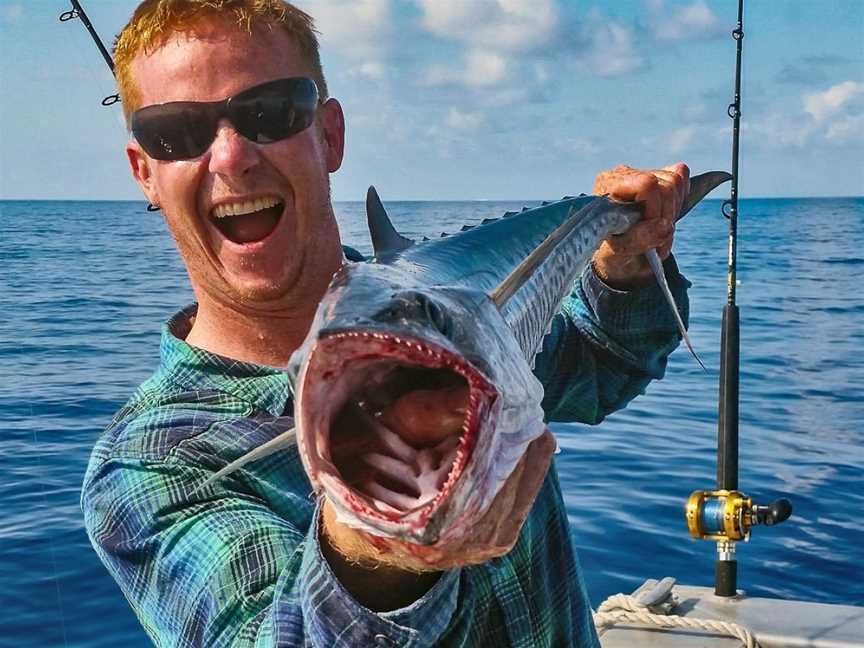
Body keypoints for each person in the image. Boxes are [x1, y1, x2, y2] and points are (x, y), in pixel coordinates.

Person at [81, 1, 693, 646]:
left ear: (330, 135)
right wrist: (377, 554)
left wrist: (624, 266)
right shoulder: (152, 467)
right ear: (144, 171)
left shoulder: (452, 320)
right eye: (176, 132)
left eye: (271, 113)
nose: (231, 158)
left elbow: (599, 370)